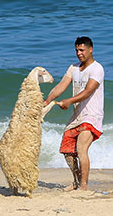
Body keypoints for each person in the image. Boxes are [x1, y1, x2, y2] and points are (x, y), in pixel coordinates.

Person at [44, 36, 104, 191]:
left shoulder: (97, 69)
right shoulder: (73, 68)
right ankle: (76, 181)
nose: (79, 53)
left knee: (81, 149)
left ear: (91, 49)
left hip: (92, 116)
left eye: (82, 50)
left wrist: (69, 101)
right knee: (67, 151)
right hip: (77, 116)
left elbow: (88, 91)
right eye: (77, 50)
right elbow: (61, 86)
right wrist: (46, 101)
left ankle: (83, 186)